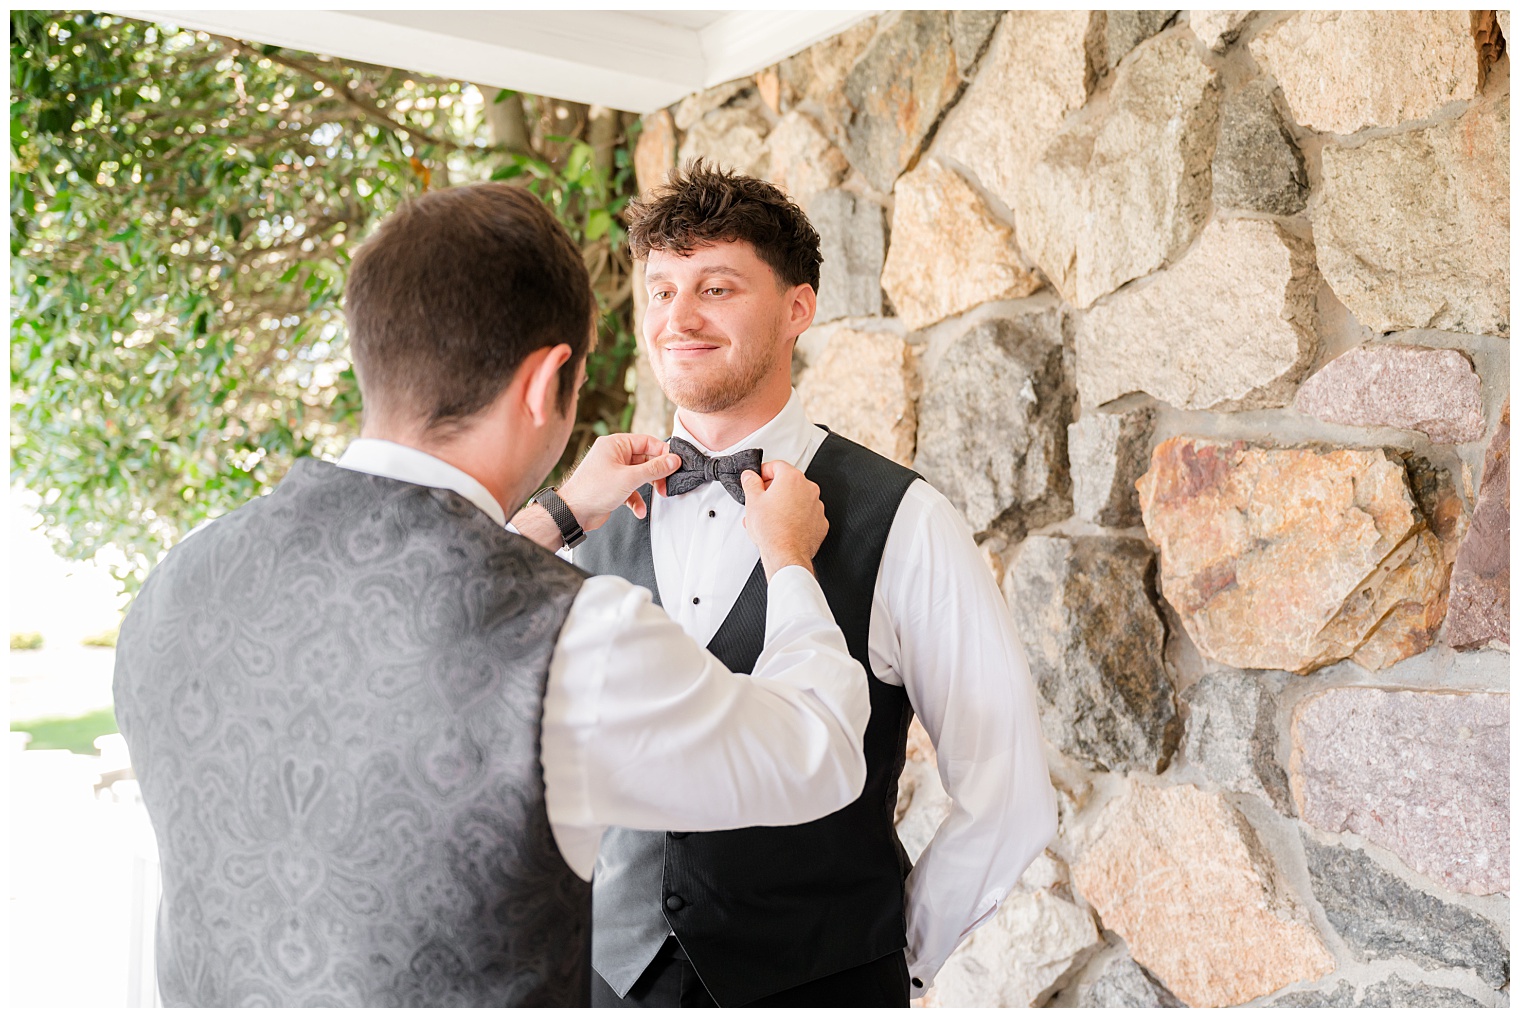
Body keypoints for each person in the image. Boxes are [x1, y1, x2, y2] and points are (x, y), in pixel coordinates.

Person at [111, 182, 876, 1007]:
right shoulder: (573, 637)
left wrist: (555, 519)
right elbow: (818, 754)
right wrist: (790, 561)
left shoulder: (177, 578)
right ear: (550, 381)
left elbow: (402, 621)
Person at [520, 161, 1058, 1007]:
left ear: (796, 308)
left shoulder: (903, 520)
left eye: (717, 287)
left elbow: (1009, 793)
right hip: (606, 986)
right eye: (660, 291)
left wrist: (885, 966)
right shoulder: (589, 510)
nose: (678, 318)